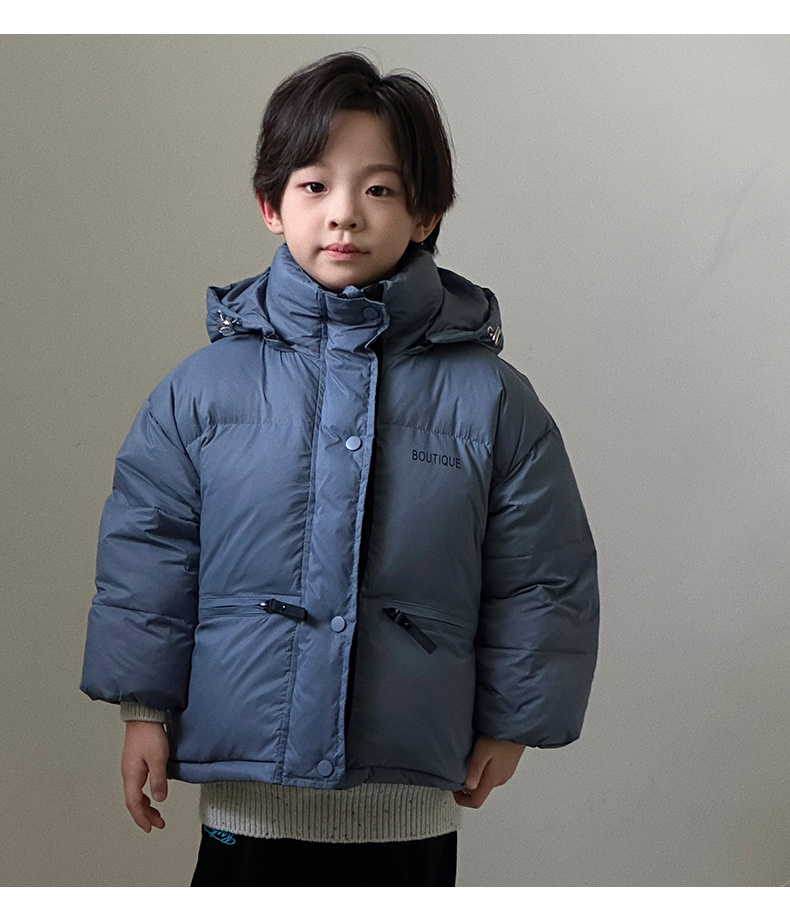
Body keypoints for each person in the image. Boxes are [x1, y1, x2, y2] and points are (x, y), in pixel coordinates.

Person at [80, 52, 599, 887]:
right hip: (248, 789)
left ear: (426, 213)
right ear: (271, 205)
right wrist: (144, 710)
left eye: (380, 189)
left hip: (410, 792)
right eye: (315, 184)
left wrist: (513, 722)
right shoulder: (202, 392)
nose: (345, 214)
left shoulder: (492, 401)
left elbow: (542, 573)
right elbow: (149, 554)